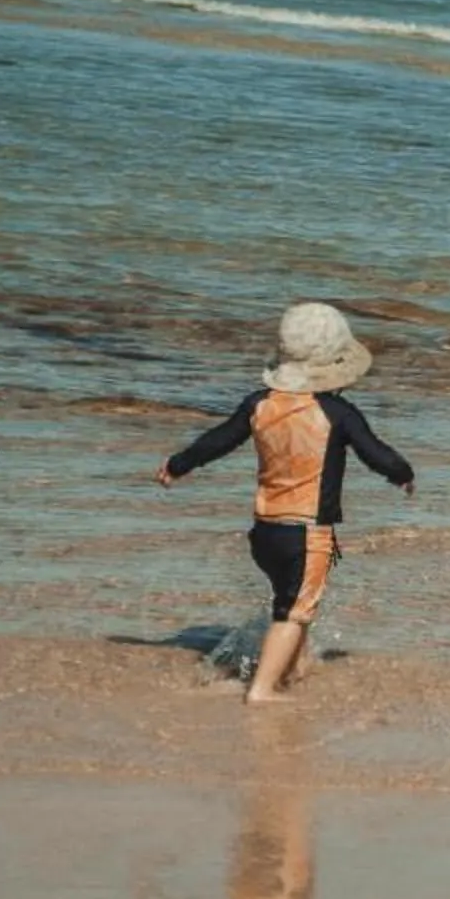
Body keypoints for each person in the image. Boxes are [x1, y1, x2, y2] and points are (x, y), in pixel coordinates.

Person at [158, 301, 417, 703]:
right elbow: (377, 453)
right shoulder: (338, 413)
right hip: (307, 533)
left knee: (298, 604)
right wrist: (402, 474)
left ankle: (293, 669)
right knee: (292, 613)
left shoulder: (259, 405)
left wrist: (178, 465)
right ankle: (261, 690)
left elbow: (217, 440)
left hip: (264, 532)